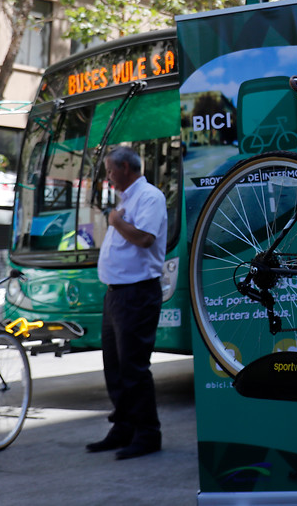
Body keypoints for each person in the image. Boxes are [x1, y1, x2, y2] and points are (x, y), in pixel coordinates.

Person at [86, 147, 167, 460]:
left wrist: (116, 221)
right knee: (115, 366)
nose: (107, 177)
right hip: (116, 294)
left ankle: (148, 433)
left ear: (124, 167)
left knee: (134, 367)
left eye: (109, 170)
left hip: (137, 293)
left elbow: (145, 239)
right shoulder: (126, 201)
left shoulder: (149, 197)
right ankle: (123, 427)